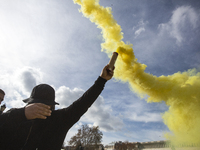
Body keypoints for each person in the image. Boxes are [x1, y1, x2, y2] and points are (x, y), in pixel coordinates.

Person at [0, 64, 114, 150]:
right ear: (29, 104)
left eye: (44, 105)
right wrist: (22, 114)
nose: (38, 109)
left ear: (51, 107)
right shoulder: (15, 116)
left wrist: (101, 80)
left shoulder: (59, 120)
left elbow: (83, 103)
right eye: (36, 104)